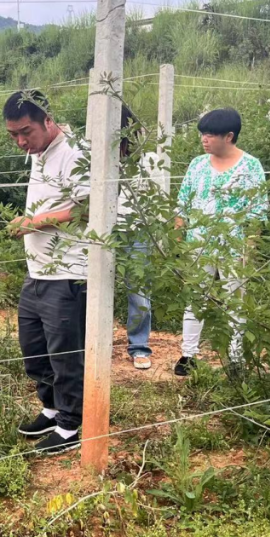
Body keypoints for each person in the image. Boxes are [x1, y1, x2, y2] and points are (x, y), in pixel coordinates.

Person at [4, 90, 90, 454]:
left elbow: (87, 207)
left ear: (48, 121)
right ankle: (52, 408)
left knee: (65, 352)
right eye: (14, 135)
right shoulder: (36, 153)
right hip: (37, 269)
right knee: (34, 347)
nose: (22, 141)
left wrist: (34, 222)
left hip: (67, 270)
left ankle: (71, 425)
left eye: (26, 132)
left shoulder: (75, 152)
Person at [174, 108, 268, 377]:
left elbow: (257, 210)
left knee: (235, 302)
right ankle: (188, 355)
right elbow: (183, 203)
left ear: (229, 136)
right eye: (202, 134)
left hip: (234, 247)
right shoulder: (197, 165)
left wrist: (249, 248)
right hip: (198, 246)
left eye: (211, 135)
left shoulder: (250, 166)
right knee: (195, 299)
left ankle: (236, 358)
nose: (204, 140)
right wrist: (179, 240)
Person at [116, 105, 158, 371]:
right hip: (103, 229)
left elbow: (153, 198)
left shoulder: (147, 159)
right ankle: (86, 343)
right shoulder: (93, 158)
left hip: (138, 229)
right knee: (87, 288)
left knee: (139, 291)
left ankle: (139, 346)